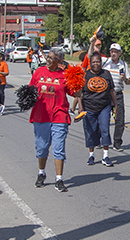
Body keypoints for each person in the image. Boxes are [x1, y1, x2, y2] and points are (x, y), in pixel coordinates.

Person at [29, 47, 79, 192]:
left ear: (59, 61)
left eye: (51, 58)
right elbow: (30, 90)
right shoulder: (39, 72)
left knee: (59, 149)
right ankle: (41, 172)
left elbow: (75, 92)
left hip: (59, 115)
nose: (48, 60)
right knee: (42, 147)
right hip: (41, 115)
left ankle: (59, 179)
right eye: (48, 57)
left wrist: (78, 81)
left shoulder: (64, 75)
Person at [81, 51, 117, 166]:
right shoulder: (85, 75)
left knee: (105, 129)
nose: (96, 64)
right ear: (90, 63)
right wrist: (80, 108)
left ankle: (105, 156)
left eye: (98, 61)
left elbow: (112, 91)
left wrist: (115, 106)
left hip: (104, 107)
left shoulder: (106, 74)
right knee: (91, 130)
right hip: (89, 107)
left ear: (101, 63)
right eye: (93, 62)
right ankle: (91, 155)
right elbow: (79, 94)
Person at [102, 43, 130, 151]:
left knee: (119, 120)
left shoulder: (123, 65)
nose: (113, 53)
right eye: (112, 51)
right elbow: (91, 56)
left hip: (118, 94)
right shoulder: (105, 62)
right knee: (103, 119)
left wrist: (124, 79)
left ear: (119, 53)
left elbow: (128, 81)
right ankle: (101, 140)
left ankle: (117, 143)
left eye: (115, 51)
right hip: (105, 95)